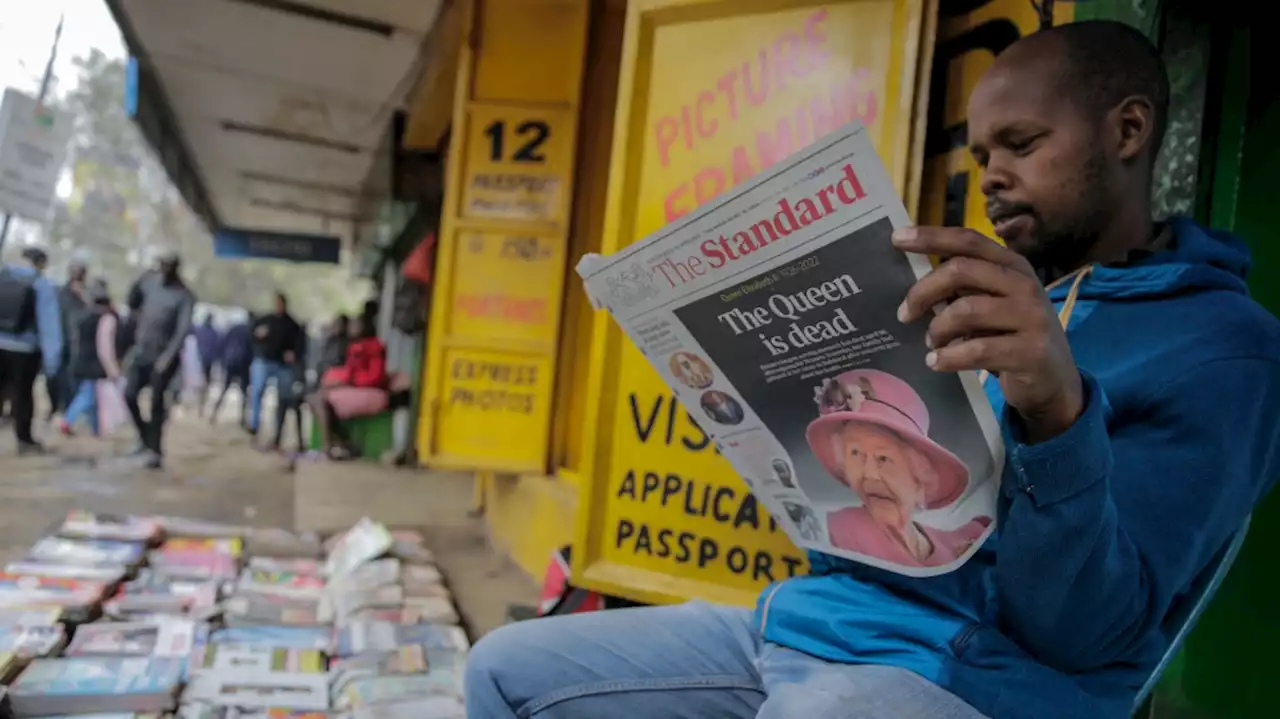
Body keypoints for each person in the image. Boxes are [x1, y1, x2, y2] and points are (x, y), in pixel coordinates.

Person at [464, 21, 1280, 719]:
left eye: (1023, 144)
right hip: (820, 623)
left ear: (1127, 131)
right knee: (503, 669)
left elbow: (1083, 632)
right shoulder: (975, 291)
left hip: (975, 675)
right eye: (983, 151)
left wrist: (1057, 415)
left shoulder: (1221, 349)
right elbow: (864, 534)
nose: (992, 174)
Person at [808, 369, 992, 567]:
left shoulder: (951, 541)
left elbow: (977, 529)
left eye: (884, 458)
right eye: (855, 454)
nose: (870, 475)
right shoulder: (841, 527)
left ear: (919, 478)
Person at [124, 251, 195, 469]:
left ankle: (155, 450)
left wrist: (167, 357)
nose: (164, 270)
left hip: (164, 356)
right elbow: (132, 302)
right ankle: (145, 437)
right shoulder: (150, 284)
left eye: (168, 266)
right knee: (129, 395)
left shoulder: (184, 296)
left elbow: (182, 331)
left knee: (156, 402)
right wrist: (139, 279)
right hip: (142, 351)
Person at [0, 247, 63, 455]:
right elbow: (49, 325)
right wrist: (53, 360)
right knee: (22, 394)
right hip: (25, 350)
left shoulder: (3, 275)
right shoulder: (41, 284)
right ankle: (24, 440)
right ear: (41, 263)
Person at [307, 314, 388, 460]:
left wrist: (348, 381)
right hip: (357, 389)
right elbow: (350, 372)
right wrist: (335, 380)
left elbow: (375, 378)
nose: (351, 328)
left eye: (356, 325)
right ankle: (344, 443)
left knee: (319, 400)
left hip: (371, 392)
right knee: (315, 399)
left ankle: (328, 448)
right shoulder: (355, 347)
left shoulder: (375, 348)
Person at [60, 282, 122, 437]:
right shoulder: (106, 319)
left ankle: (96, 429)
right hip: (95, 364)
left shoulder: (82, 316)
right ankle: (67, 420)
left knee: (94, 399)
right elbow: (105, 347)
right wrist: (112, 369)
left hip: (80, 361)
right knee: (88, 396)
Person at [247, 292, 304, 440]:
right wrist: (258, 335)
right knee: (257, 392)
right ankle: (255, 424)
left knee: (284, 398)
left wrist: (294, 354)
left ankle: (278, 431)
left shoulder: (292, 324)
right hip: (265, 360)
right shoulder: (266, 320)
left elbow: (300, 345)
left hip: (282, 365)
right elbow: (252, 335)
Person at [49, 255, 90, 420]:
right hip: (59, 340)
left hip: (79, 344)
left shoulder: (87, 294)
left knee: (73, 379)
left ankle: (68, 409)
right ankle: (55, 406)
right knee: (53, 378)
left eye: (80, 272)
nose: (76, 275)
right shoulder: (60, 292)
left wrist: (83, 295)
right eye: (74, 271)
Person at [193, 315, 222, 416]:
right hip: (208, 360)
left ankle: (200, 405)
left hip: (199, 359)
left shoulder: (200, 331)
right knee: (205, 383)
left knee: (201, 383)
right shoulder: (214, 333)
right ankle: (201, 405)